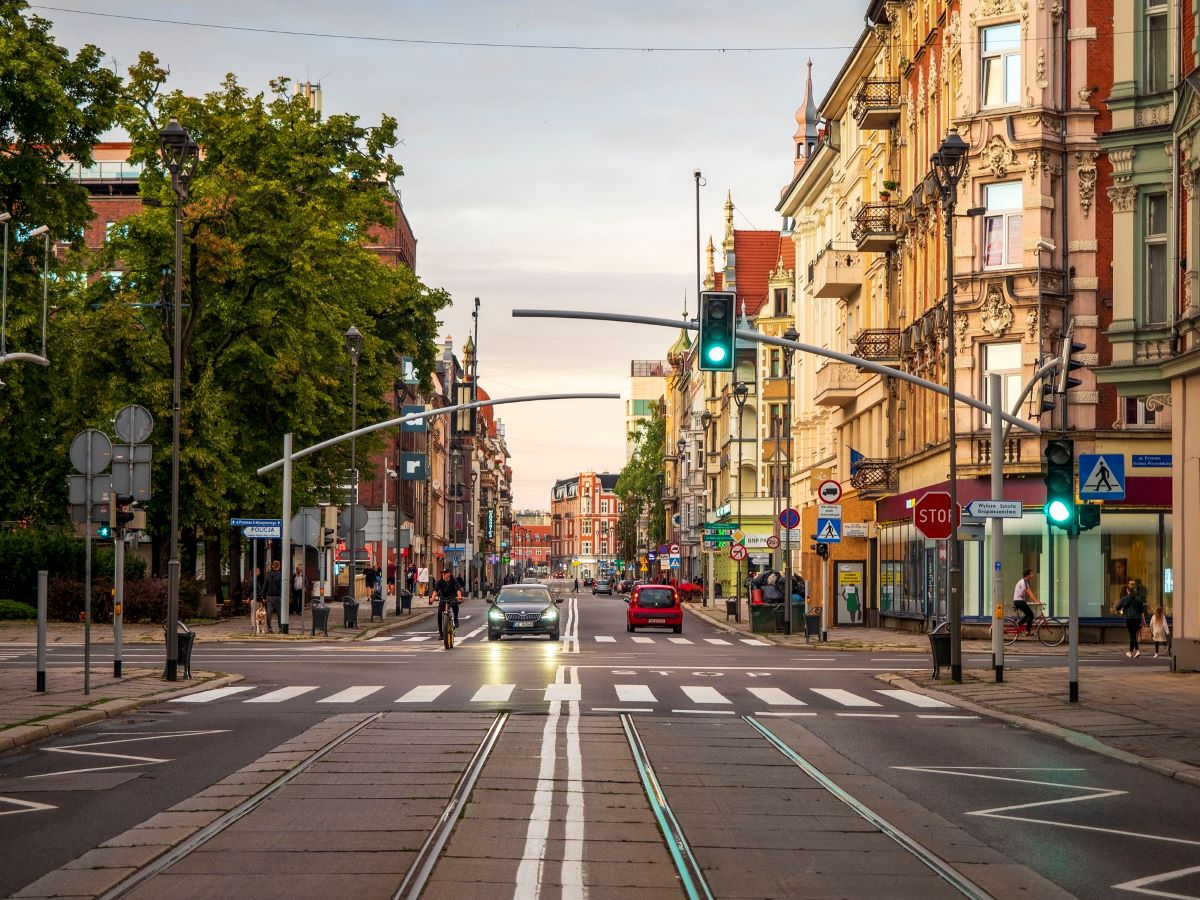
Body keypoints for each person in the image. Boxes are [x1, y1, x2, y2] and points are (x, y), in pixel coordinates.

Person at [1117, 578, 1148, 658]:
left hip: (1129, 618)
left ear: (1128, 590)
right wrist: (1144, 621)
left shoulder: (1125, 598)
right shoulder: (1139, 599)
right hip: (1137, 619)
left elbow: (1117, 607)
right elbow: (1142, 611)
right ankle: (1130, 651)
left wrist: (1121, 611)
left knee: (1132, 635)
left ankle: (1137, 650)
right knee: (1133, 634)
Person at [433, 569, 462, 635]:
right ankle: (441, 633)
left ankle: (456, 619)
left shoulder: (454, 580)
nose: (443, 574)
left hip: (452, 597)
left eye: (445, 573)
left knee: (455, 605)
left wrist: (459, 596)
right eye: (443, 573)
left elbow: (458, 589)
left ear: (449, 574)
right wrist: (432, 597)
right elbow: (435, 590)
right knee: (439, 614)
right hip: (443, 598)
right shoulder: (440, 581)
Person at [1012, 568, 1038, 634]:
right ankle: (1027, 631)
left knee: (1028, 614)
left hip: (1019, 601)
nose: (1032, 575)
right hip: (1019, 601)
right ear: (1027, 575)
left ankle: (1019, 623)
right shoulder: (1023, 581)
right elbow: (1029, 592)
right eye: (1031, 574)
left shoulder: (1025, 582)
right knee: (1031, 614)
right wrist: (1036, 601)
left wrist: (1035, 601)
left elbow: (1029, 592)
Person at [263, 560, 283, 633]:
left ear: (272, 566)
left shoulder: (268, 575)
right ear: (279, 566)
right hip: (278, 597)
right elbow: (281, 586)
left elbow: (265, 586)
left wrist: (263, 596)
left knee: (269, 613)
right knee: (279, 613)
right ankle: (280, 629)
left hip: (269, 597)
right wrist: (282, 596)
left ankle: (269, 628)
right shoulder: (281, 575)